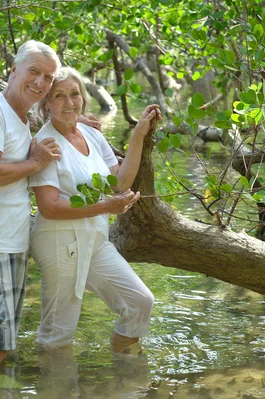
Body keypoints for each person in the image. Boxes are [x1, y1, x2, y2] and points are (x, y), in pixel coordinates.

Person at [0, 41, 97, 366]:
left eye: (48, 77)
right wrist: (36, 163)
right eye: (34, 72)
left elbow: (31, 154)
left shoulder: (20, 118)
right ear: (14, 70)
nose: (41, 83)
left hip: (11, 243)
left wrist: (76, 125)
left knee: (0, 344)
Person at [29, 67, 161, 353]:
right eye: (59, 96)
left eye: (74, 94)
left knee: (140, 302)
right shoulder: (45, 142)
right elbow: (48, 207)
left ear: (83, 97)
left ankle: (123, 372)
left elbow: (120, 182)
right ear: (46, 103)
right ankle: (53, 387)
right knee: (58, 332)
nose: (69, 103)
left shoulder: (90, 132)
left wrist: (138, 133)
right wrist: (104, 207)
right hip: (58, 241)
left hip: (95, 241)